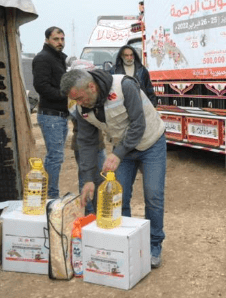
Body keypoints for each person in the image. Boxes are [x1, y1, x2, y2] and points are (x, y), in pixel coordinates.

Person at [61, 68, 167, 268]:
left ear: (91, 87)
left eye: (80, 98)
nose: (79, 103)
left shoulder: (123, 86)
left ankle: (154, 244)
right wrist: (88, 179)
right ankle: (126, 242)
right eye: (75, 100)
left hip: (151, 143)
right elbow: (87, 144)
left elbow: (138, 124)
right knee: (119, 196)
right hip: (123, 149)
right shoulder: (82, 109)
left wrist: (118, 154)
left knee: (153, 195)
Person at [32, 26, 69, 198]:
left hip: (60, 114)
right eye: (56, 39)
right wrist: (65, 96)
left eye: (62, 39)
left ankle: (50, 194)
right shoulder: (43, 58)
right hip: (50, 115)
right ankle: (50, 196)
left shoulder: (58, 58)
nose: (60, 42)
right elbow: (41, 86)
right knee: (55, 157)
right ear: (47, 40)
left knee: (56, 157)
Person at [67, 59, 107, 216]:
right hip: (84, 143)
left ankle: (94, 214)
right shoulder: (76, 96)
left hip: (97, 142)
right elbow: (81, 117)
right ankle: (90, 215)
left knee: (98, 179)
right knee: (88, 179)